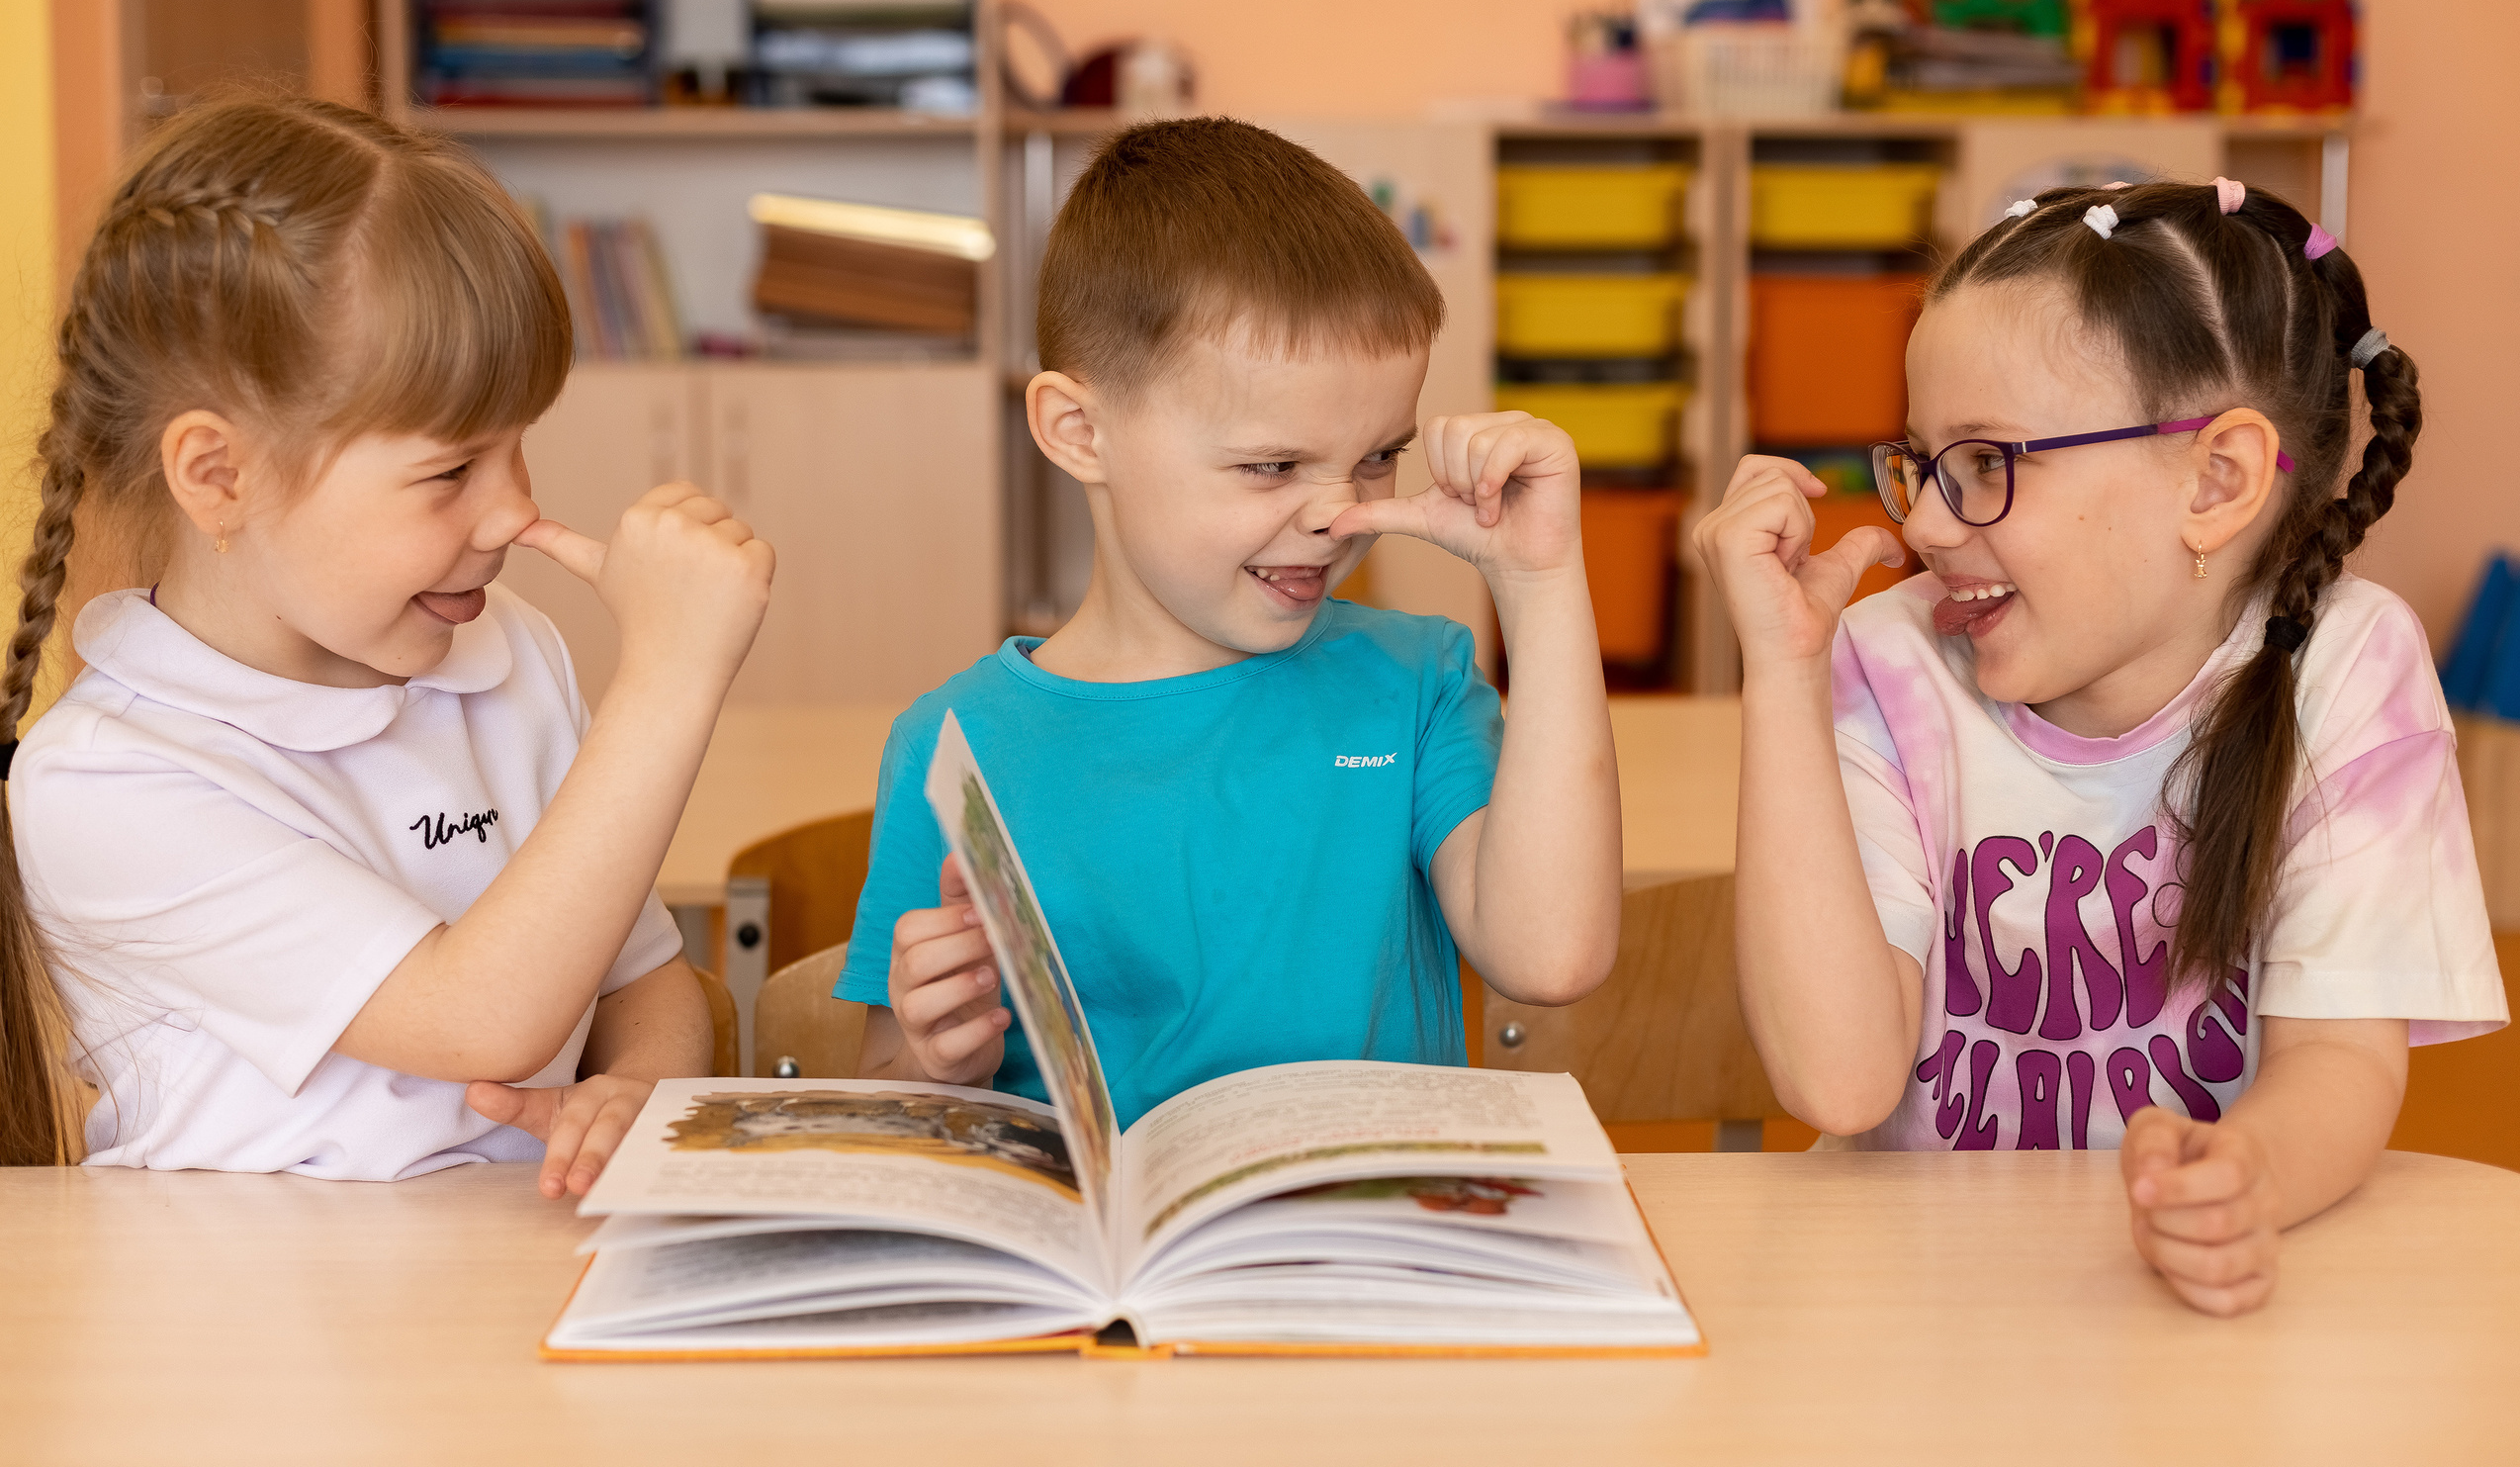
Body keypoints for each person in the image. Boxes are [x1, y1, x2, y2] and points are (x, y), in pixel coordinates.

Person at [1694, 176, 2508, 1315]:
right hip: (1909, 1306)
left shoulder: (2347, 668)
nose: (1923, 523)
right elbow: (1838, 1080)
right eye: (1922, 462)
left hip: (2178, 1311)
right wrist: (1781, 673)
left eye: (1987, 463)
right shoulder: (1888, 659)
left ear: (2214, 481)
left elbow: (2341, 1061)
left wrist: (2244, 1179)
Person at [0, 97, 774, 1190]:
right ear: (220, 477)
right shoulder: (107, 780)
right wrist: (670, 674)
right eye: (451, 471)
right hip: (251, 1337)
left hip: (500, 1282)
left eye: (520, 447)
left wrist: (636, 1088)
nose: (511, 511)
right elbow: (482, 1018)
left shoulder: (512, 654)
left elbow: (645, 978)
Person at [841, 118, 1619, 1129]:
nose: (1339, 512)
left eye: (1379, 456)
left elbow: (1551, 955)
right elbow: (889, 1085)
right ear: (1080, 432)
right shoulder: (956, 741)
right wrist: (937, 1052)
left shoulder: (1418, 682)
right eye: (1271, 466)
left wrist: (1544, 583)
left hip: (1370, 1266)